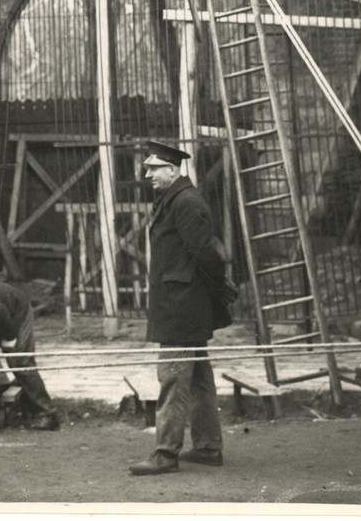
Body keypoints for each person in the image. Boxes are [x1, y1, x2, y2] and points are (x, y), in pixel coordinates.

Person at [128, 142, 227, 476]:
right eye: (148, 169)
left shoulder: (184, 201)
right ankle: (208, 448)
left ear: (172, 169)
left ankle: (165, 454)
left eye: (153, 169)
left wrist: (206, 294)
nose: (147, 175)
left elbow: (207, 254)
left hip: (182, 305)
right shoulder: (176, 198)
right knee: (198, 380)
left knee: (172, 376)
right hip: (183, 302)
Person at [0, 278, 61, 430]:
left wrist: (9, 338)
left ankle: (46, 413)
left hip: (15, 310)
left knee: (20, 362)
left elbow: (0, 312)